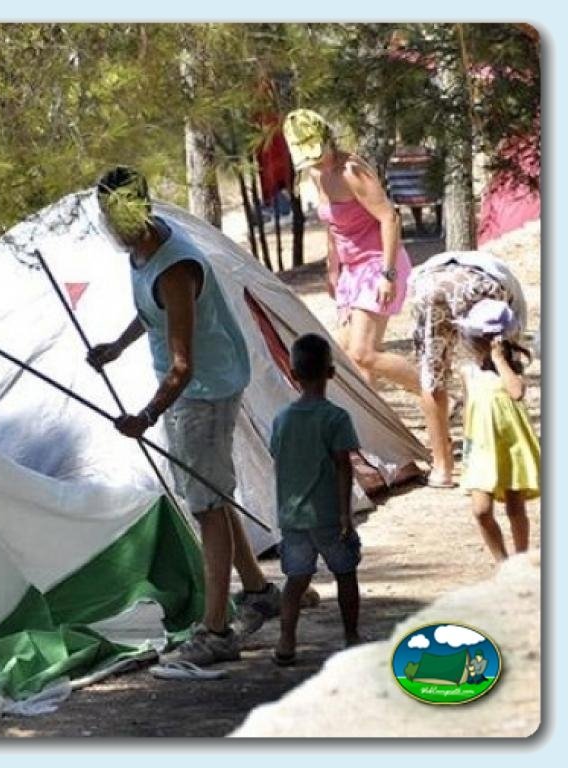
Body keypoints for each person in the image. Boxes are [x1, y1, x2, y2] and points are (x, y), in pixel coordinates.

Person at [87, 165, 279, 668]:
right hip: (189, 387)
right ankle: (258, 590)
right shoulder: (141, 250)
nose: (109, 227)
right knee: (210, 492)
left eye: (112, 216)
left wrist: (144, 417)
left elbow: (182, 365)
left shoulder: (176, 265)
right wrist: (117, 347)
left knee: (207, 508)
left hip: (204, 391)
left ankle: (216, 629)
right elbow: (155, 313)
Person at [282, 109, 420, 394]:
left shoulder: (352, 171)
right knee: (347, 355)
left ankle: (434, 392)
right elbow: (333, 225)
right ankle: (372, 428)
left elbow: (389, 218)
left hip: (377, 263)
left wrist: (388, 273)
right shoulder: (316, 174)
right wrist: (333, 270)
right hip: (351, 270)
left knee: (363, 352)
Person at [269, 333, 363, 666]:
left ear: (293, 374)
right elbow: (343, 467)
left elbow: (278, 460)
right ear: (331, 373)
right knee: (345, 572)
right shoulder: (336, 418)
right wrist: (345, 515)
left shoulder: (281, 420)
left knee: (295, 580)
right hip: (326, 514)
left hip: (293, 516)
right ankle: (351, 636)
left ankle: (286, 641)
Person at [408, 251, 528, 488]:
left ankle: (442, 467)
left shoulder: (435, 266)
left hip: (427, 285)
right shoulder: (505, 287)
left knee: (431, 376)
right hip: (478, 286)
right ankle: (478, 457)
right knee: (483, 370)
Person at [455, 299, 540, 562]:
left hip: (509, 445)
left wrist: (499, 360)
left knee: (516, 509)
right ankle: (502, 561)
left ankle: (521, 559)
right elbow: (468, 407)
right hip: (481, 447)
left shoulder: (511, 370)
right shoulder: (468, 372)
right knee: (481, 510)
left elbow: (516, 392)